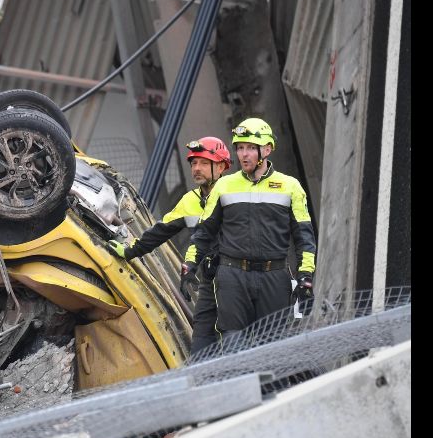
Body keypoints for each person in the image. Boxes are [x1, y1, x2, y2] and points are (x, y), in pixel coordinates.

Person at [187, 118, 316, 348]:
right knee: (233, 345)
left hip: (274, 277)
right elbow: (203, 232)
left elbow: (304, 237)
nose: (243, 154)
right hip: (232, 277)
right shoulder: (224, 186)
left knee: (273, 348)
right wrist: (189, 266)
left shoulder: (290, 186)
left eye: (249, 148)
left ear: (266, 149)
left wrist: (305, 277)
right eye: (239, 148)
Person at [106, 137, 232, 355]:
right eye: (193, 163)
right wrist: (129, 251)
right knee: (201, 348)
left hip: (239, 282)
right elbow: (160, 231)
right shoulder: (189, 201)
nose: (196, 169)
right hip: (210, 285)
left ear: (221, 166)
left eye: (203, 162)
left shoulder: (236, 196)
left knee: (239, 343)